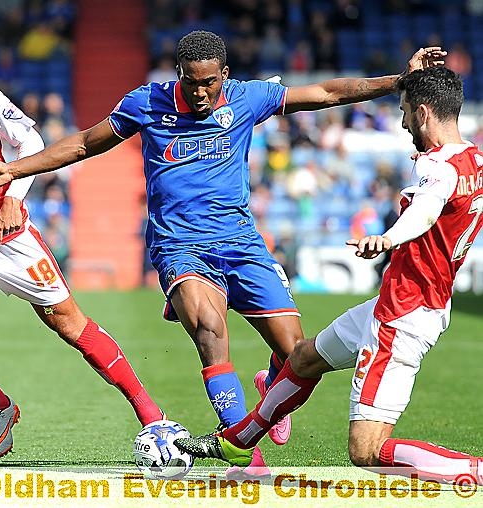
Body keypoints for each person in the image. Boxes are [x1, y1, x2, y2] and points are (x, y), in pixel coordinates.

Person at [0, 31, 445, 476]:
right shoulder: (147, 103)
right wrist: (15, 171)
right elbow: (86, 143)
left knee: (296, 355)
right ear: (179, 76)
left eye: (209, 83)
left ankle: (265, 388)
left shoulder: (247, 98)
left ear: (224, 77)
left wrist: (399, 80)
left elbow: (327, 94)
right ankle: (244, 456)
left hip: (241, 242)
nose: (201, 93)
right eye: (191, 84)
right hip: (180, 246)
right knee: (211, 331)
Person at [173, 66, 483, 485]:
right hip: (398, 304)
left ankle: (474, 470)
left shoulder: (438, 169)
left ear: (424, 113)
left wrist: (389, 237)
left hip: (401, 317)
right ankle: (239, 441)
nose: (403, 120)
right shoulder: (474, 160)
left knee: (367, 451)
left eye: (406, 111)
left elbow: (426, 212)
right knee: (303, 358)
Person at [0, 29, 163, 459]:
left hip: (8, 236)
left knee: (68, 324)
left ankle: (151, 414)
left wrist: (11, 197)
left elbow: (32, 142)